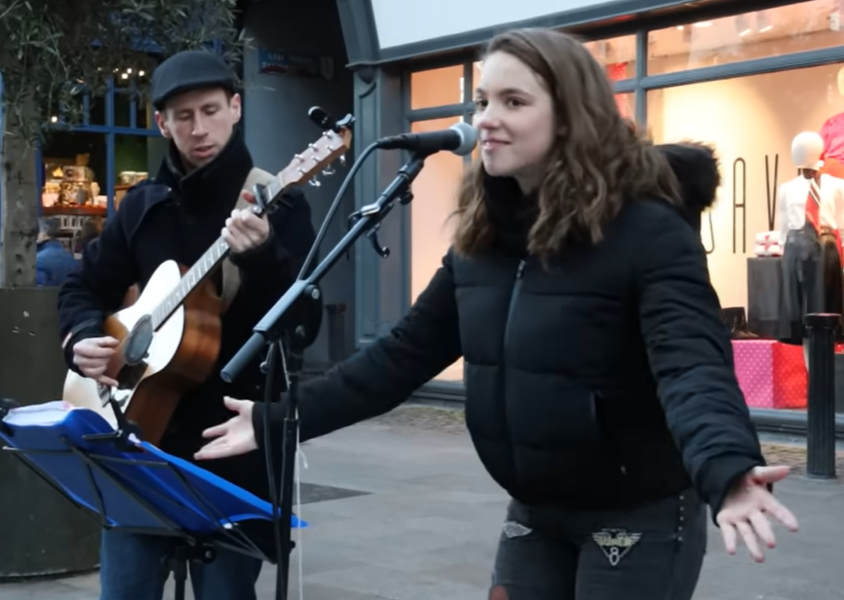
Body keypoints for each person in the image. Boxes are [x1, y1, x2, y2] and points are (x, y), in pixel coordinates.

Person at [194, 28, 799, 600]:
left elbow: (691, 366)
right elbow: (403, 355)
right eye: (483, 100)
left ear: (572, 116)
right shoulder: (483, 240)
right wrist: (282, 418)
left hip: (636, 509)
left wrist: (727, 468)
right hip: (535, 506)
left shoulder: (649, 232)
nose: (486, 118)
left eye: (514, 101)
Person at [56, 49, 316, 600]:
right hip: (137, 444)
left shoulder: (280, 203)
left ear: (236, 107)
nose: (199, 129)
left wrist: (262, 258)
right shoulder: (142, 206)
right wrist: (82, 336)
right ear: (162, 123)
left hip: (231, 447)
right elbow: (83, 287)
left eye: (210, 110)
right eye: (183, 116)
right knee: (124, 592)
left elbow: (303, 326)